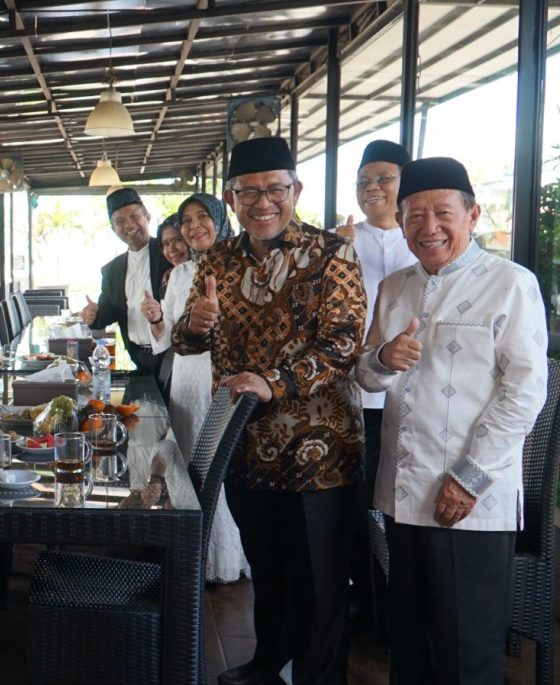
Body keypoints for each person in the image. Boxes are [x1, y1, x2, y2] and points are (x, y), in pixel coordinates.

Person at [172, 138, 366, 685]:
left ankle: (316, 678)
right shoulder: (217, 260)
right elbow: (188, 343)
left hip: (319, 450)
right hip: (245, 446)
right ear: (231, 199)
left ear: (295, 190)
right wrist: (197, 325)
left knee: (320, 583)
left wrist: (273, 382)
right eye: (249, 192)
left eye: (275, 190)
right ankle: (265, 662)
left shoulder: (333, 254)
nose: (263, 202)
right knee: (268, 570)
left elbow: (343, 343)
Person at [355, 157, 547, 684]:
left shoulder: (510, 283)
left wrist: (469, 478)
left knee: (466, 649)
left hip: (470, 497)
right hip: (402, 490)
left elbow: (525, 391)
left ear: (473, 214)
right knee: (409, 639)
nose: (429, 227)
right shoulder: (394, 287)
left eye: (443, 212)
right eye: (414, 215)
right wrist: (380, 358)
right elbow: (367, 379)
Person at [141, 193, 249, 583]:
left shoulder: (240, 266)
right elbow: (166, 339)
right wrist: (155, 318)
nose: (193, 226)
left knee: (217, 469)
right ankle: (192, 557)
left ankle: (220, 560)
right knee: (188, 465)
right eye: (187, 220)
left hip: (219, 378)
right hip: (186, 378)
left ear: (221, 220)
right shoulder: (183, 273)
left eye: (204, 217)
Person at [333, 139, 417, 626]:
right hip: (357, 394)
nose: (372, 188)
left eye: (383, 178)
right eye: (363, 181)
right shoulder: (340, 240)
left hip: (416, 401)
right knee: (360, 503)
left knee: (403, 506)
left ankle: (404, 604)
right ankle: (369, 599)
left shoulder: (426, 238)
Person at [81, 187, 171, 375]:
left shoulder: (169, 254)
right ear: (114, 229)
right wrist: (94, 314)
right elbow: (108, 314)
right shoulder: (112, 270)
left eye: (134, 216)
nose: (128, 225)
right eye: (120, 221)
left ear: (147, 216)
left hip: (171, 356)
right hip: (137, 357)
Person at [156, 213, 189, 297]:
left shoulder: (208, 272)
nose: (171, 249)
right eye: (166, 244)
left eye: (178, 240)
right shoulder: (168, 278)